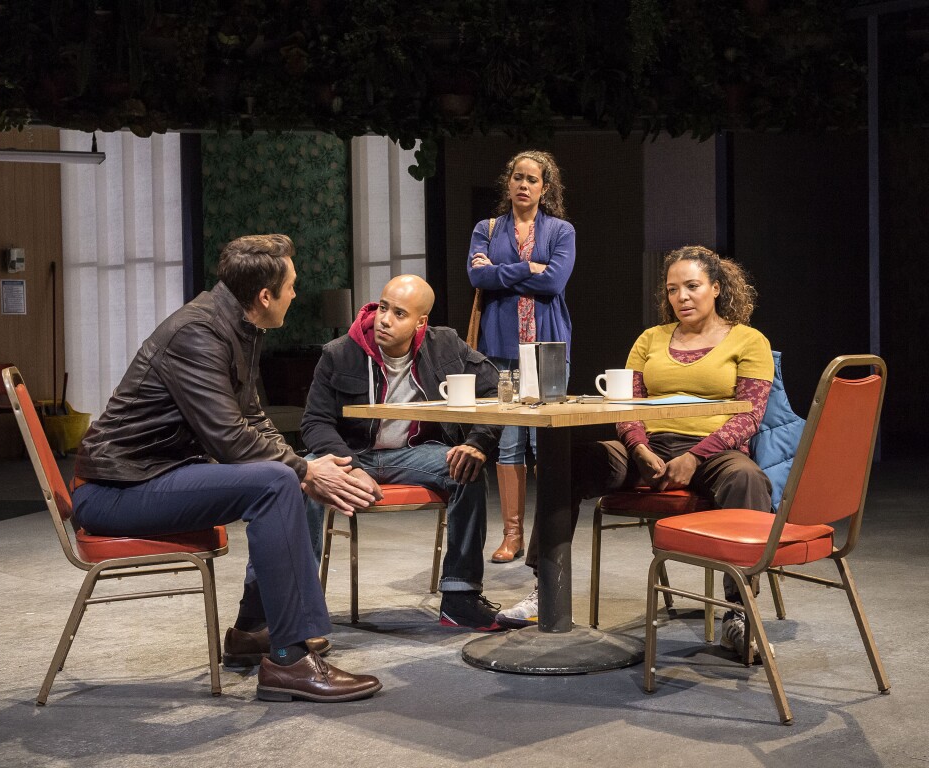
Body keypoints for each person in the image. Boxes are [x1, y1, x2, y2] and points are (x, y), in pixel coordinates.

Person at [71, 234, 383, 703]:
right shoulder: (198, 333)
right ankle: (291, 661)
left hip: (151, 477)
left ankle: (255, 630)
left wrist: (307, 466)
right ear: (265, 296)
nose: (296, 295)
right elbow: (229, 438)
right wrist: (304, 470)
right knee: (280, 479)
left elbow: (252, 418)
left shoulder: (235, 325)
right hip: (118, 489)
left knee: (286, 476)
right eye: (291, 286)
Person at [497, 245, 775, 662]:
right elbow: (626, 404)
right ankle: (545, 591)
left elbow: (749, 416)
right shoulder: (651, 339)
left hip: (715, 451)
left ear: (716, 288)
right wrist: (640, 448)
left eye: (693, 286)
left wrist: (695, 457)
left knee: (747, 478)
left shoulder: (748, 340)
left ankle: (740, 612)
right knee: (568, 464)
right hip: (650, 448)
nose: (681, 297)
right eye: (673, 289)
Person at [301, 274, 505, 630]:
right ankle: (301, 607)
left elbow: (495, 388)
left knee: (467, 468)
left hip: (413, 454)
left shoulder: (446, 346)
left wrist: (476, 444)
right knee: (304, 476)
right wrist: (347, 465)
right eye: (382, 307)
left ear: (420, 322)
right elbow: (315, 423)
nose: (384, 319)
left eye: (399, 313)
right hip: (353, 454)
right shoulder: (340, 353)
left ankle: (460, 598)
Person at [467, 150, 575, 564]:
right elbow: (477, 275)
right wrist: (529, 266)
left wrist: (502, 270)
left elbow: (555, 282)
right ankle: (512, 535)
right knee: (508, 444)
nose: (524, 184)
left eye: (532, 179)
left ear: (545, 188)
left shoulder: (561, 230)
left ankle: (544, 533)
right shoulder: (487, 228)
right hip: (500, 349)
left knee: (544, 445)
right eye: (518, 177)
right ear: (508, 183)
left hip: (545, 348)